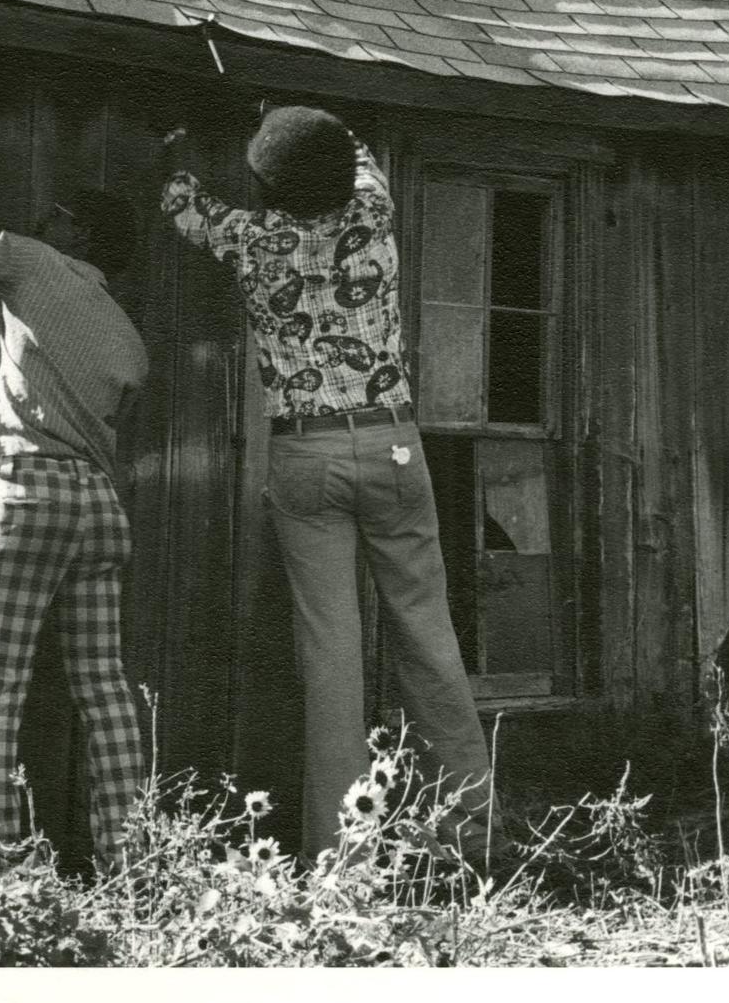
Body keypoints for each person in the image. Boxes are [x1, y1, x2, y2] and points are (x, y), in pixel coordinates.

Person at [159, 104, 493, 862]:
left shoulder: (247, 237)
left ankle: (340, 865)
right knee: (428, 635)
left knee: (331, 660)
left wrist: (177, 146)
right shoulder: (373, 214)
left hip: (304, 457)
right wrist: (284, 118)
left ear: (268, 185)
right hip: (392, 445)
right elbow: (357, 151)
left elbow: (182, 203)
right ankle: (473, 838)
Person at [0, 130, 151, 878]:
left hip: (26, 491)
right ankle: (133, 859)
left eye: (56, 213)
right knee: (104, 688)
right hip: (99, 507)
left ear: (78, 234)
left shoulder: (34, 262)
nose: (42, 219)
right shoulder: (129, 337)